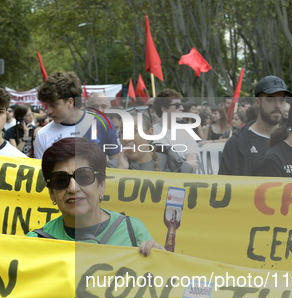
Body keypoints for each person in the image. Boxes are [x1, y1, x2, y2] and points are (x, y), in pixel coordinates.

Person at [24, 138, 163, 254]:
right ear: (51, 193)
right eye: (61, 180)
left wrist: (161, 263)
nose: (73, 188)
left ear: (101, 185)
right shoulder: (35, 242)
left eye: (84, 176)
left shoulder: (132, 231)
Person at [34, 71, 119, 160]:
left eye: (53, 105)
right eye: (46, 105)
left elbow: (116, 164)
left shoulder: (103, 123)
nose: (49, 111)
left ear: (70, 102)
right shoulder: (43, 135)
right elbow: (41, 172)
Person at [218, 75, 292, 176]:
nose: (278, 105)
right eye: (271, 99)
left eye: (282, 100)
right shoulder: (237, 142)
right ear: (258, 102)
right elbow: (224, 185)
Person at [107, 109, 190, 172]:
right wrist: (120, 173)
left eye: (134, 131)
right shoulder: (113, 168)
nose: (127, 139)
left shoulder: (176, 165)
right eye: (123, 132)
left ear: (150, 134)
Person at [152, 89, 199, 172]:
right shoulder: (151, 132)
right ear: (164, 108)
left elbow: (193, 165)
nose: (181, 108)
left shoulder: (187, 131)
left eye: (181, 104)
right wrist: (184, 165)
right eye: (177, 105)